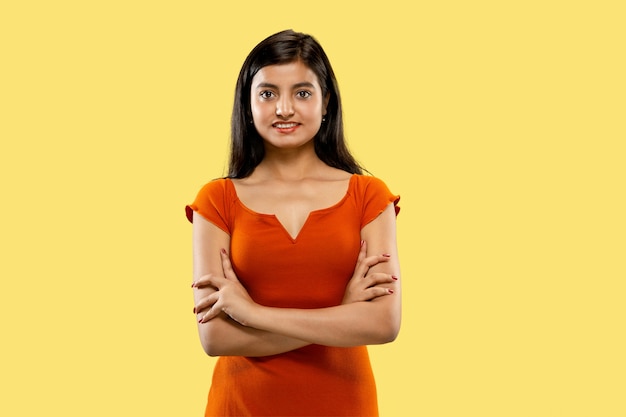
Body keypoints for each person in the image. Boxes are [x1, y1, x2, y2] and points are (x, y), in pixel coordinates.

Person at [185, 29, 401, 417]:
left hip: (343, 404)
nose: (284, 109)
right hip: (241, 406)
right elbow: (215, 337)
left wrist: (253, 315)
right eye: (268, 93)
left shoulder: (368, 195)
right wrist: (343, 312)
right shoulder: (216, 201)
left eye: (302, 93)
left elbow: (383, 322)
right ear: (247, 104)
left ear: (326, 102)